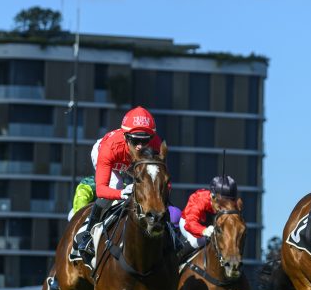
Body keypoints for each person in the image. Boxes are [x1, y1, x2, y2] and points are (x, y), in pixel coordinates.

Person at [74, 106, 165, 263]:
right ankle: (87, 235)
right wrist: (120, 193)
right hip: (111, 156)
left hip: (131, 162)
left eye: (145, 141)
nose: (140, 146)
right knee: (117, 184)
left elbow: (163, 180)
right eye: (135, 140)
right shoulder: (110, 147)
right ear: (126, 136)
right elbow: (101, 190)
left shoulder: (156, 144)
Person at [179, 175, 240, 251]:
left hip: (210, 225)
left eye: (228, 202)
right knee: (196, 241)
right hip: (188, 223)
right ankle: (179, 255)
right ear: (212, 196)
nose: (225, 207)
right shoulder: (200, 199)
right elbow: (190, 223)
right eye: (221, 202)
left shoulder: (232, 206)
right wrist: (203, 230)